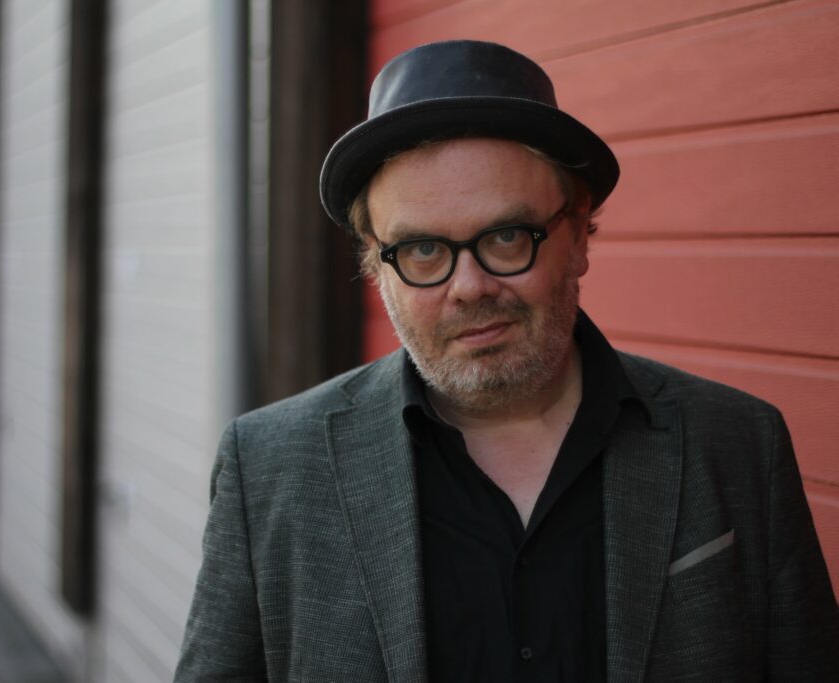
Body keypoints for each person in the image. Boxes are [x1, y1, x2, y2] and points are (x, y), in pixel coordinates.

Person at [175, 40, 838, 682]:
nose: (469, 287)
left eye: (506, 236)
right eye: (422, 250)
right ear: (376, 264)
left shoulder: (738, 445)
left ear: (577, 233)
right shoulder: (267, 469)